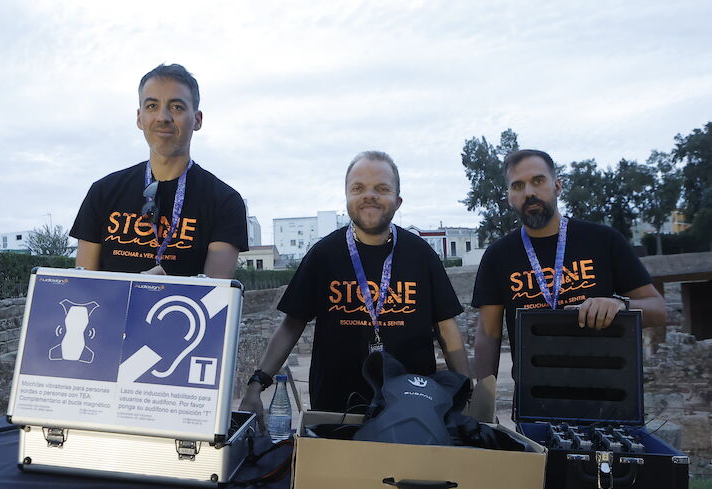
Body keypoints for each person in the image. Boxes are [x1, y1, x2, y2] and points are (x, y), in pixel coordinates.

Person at [240, 151, 471, 431]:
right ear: (347, 197)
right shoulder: (323, 255)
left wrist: (468, 394)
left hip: (413, 412)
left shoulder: (421, 255)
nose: (369, 195)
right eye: (358, 188)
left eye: (382, 188)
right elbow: (291, 325)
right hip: (335, 411)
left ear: (398, 201)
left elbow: (447, 327)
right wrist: (256, 385)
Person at [469, 149, 666, 422]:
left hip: (611, 400)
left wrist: (620, 305)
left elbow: (659, 310)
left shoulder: (603, 240)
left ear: (557, 186)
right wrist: (483, 411)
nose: (529, 192)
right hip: (535, 405)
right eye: (518, 186)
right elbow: (487, 335)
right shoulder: (498, 255)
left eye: (538, 181)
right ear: (510, 197)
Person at [70, 64, 248, 277]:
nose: (163, 117)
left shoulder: (225, 202)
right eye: (152, 106)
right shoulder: (103, 193)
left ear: (197, 120)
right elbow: (82, 286)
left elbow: (215, 293)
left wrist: (162, 290)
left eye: (177, 107)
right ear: (139, 118)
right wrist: (138, 289)